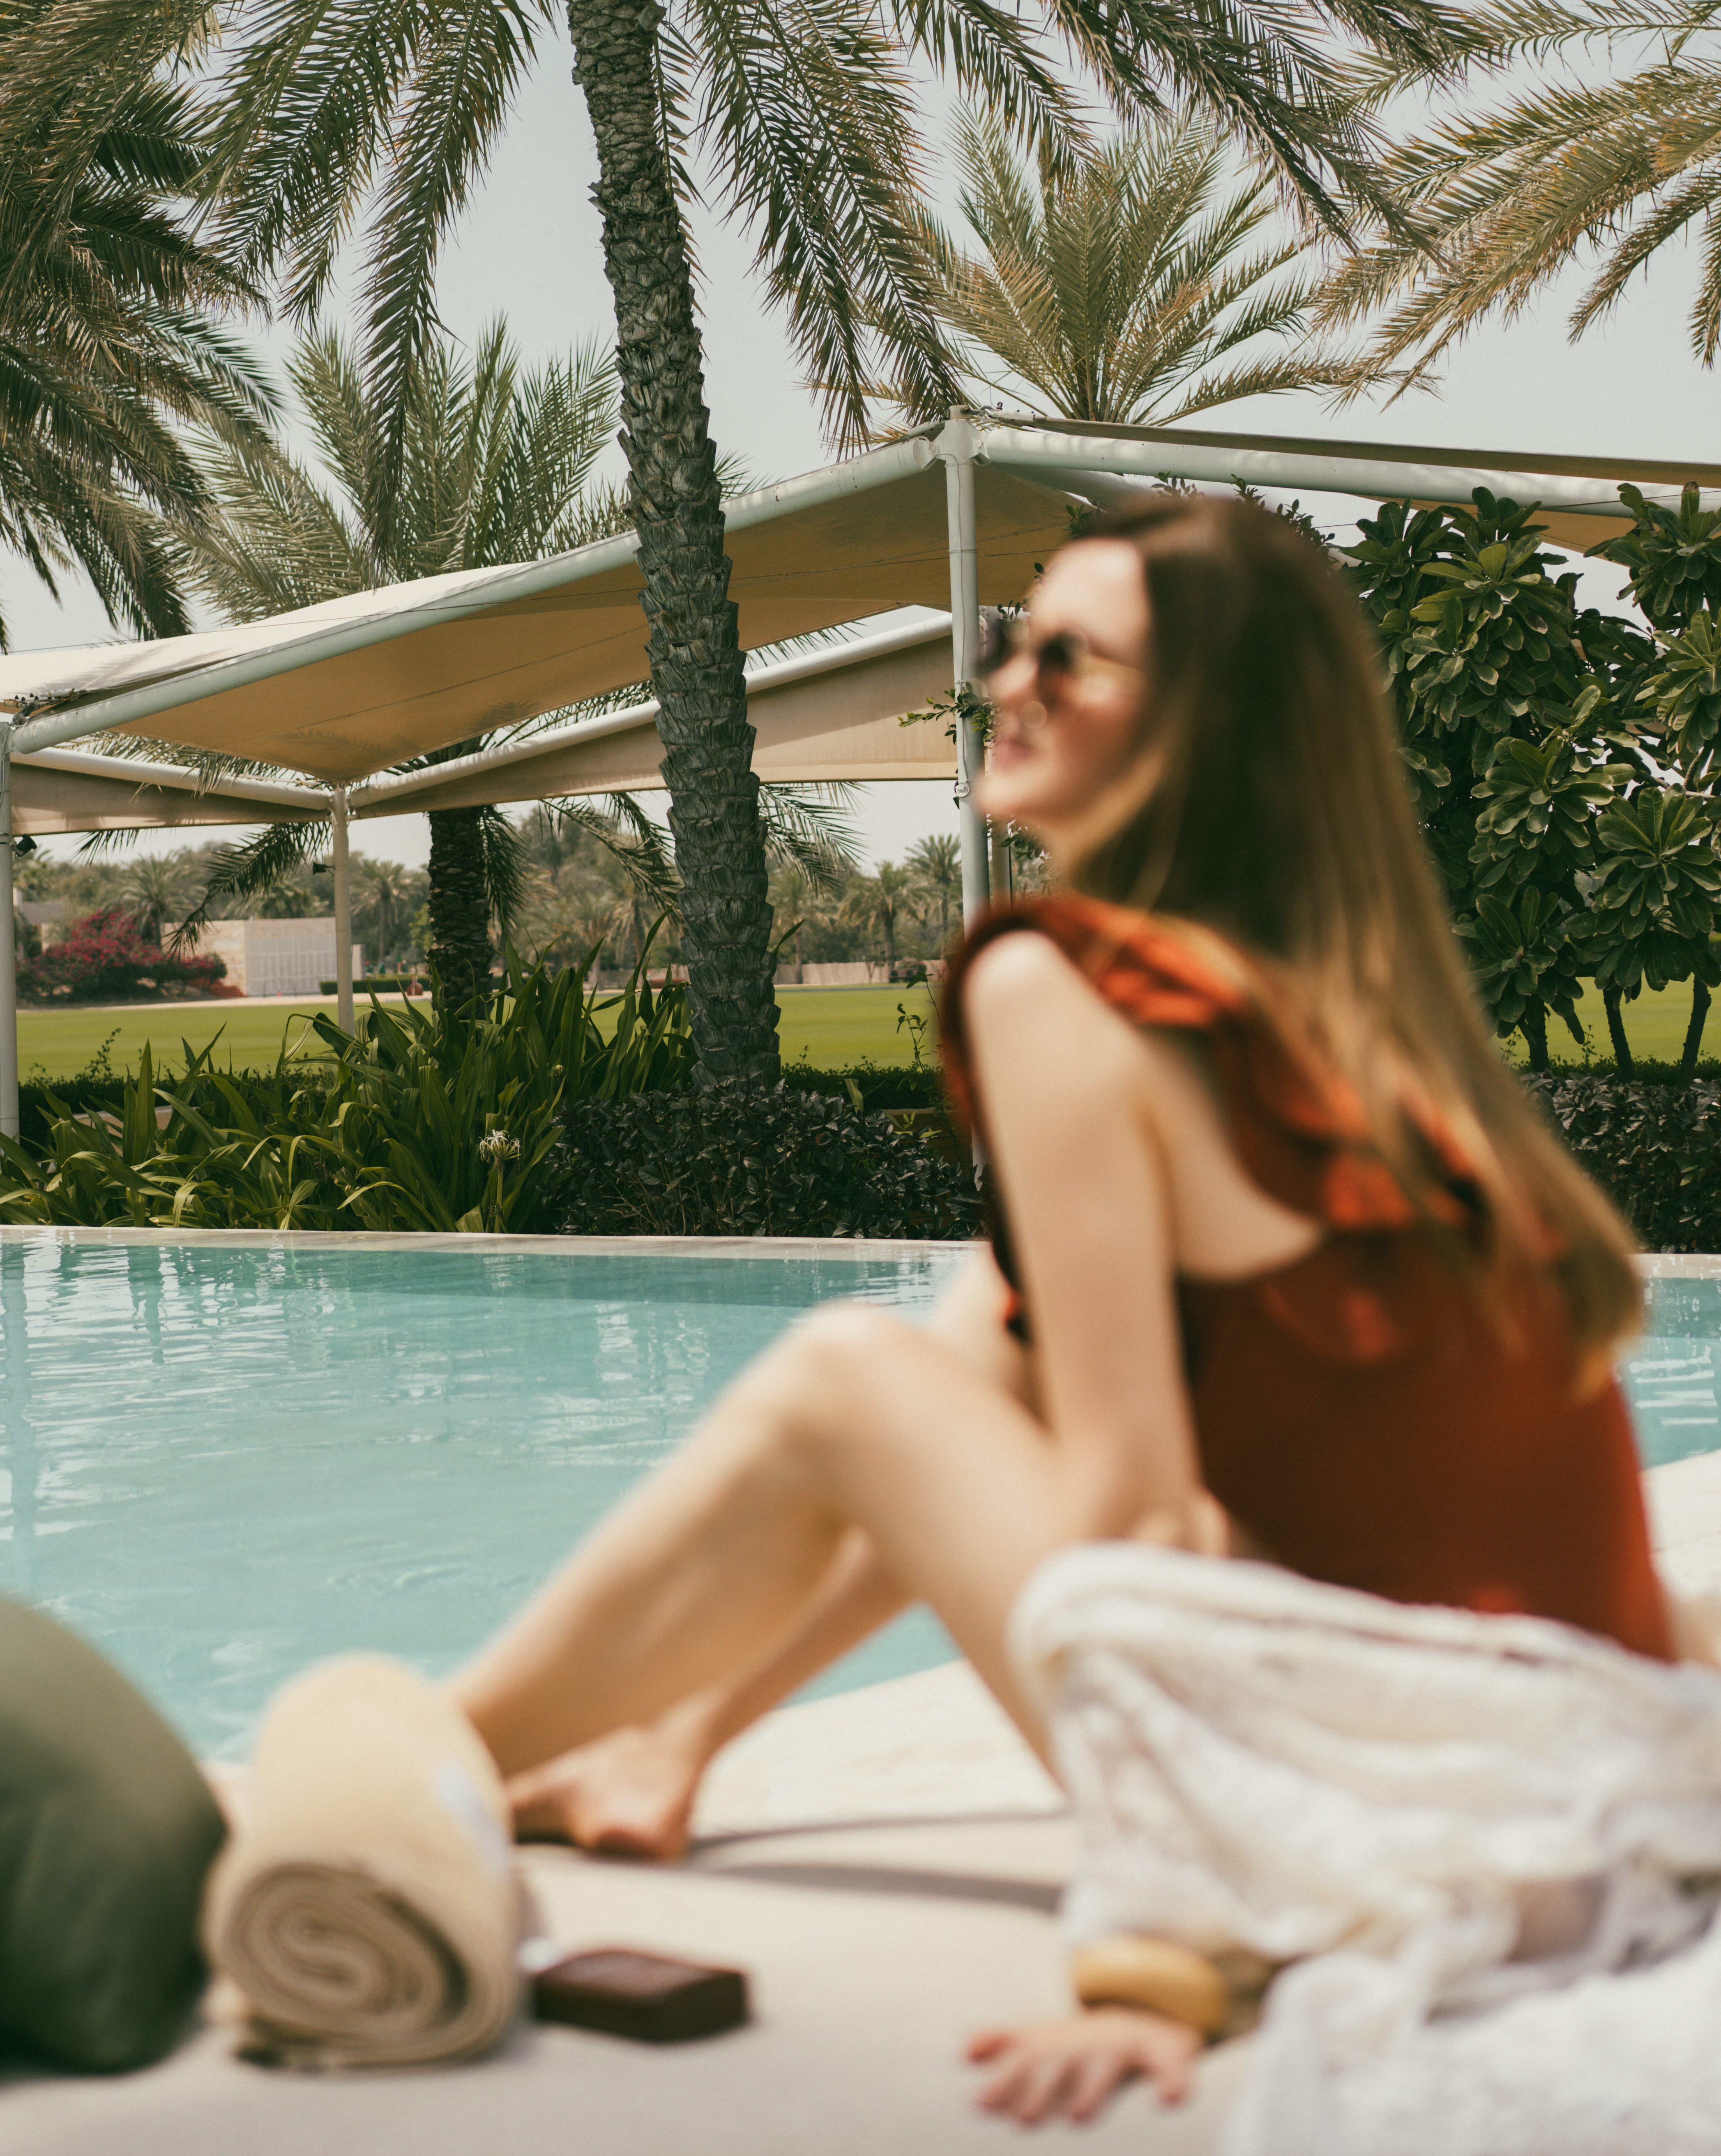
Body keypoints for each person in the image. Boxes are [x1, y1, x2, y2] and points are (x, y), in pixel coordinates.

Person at [453, 491, 1699, 2128]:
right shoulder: (1338, 1021)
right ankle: (623, 1745)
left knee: (843, 1372)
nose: (1007, 684)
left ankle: (404, 1763)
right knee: (943, 1355)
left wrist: (1156, 1951)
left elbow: (1121, 1517)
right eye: (1010, 648)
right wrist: (684, 1737)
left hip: (1410, 1801)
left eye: (1073, 661)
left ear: (1205, 733)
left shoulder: (1056, 980)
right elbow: (980, 1409)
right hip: (1595, 1789)